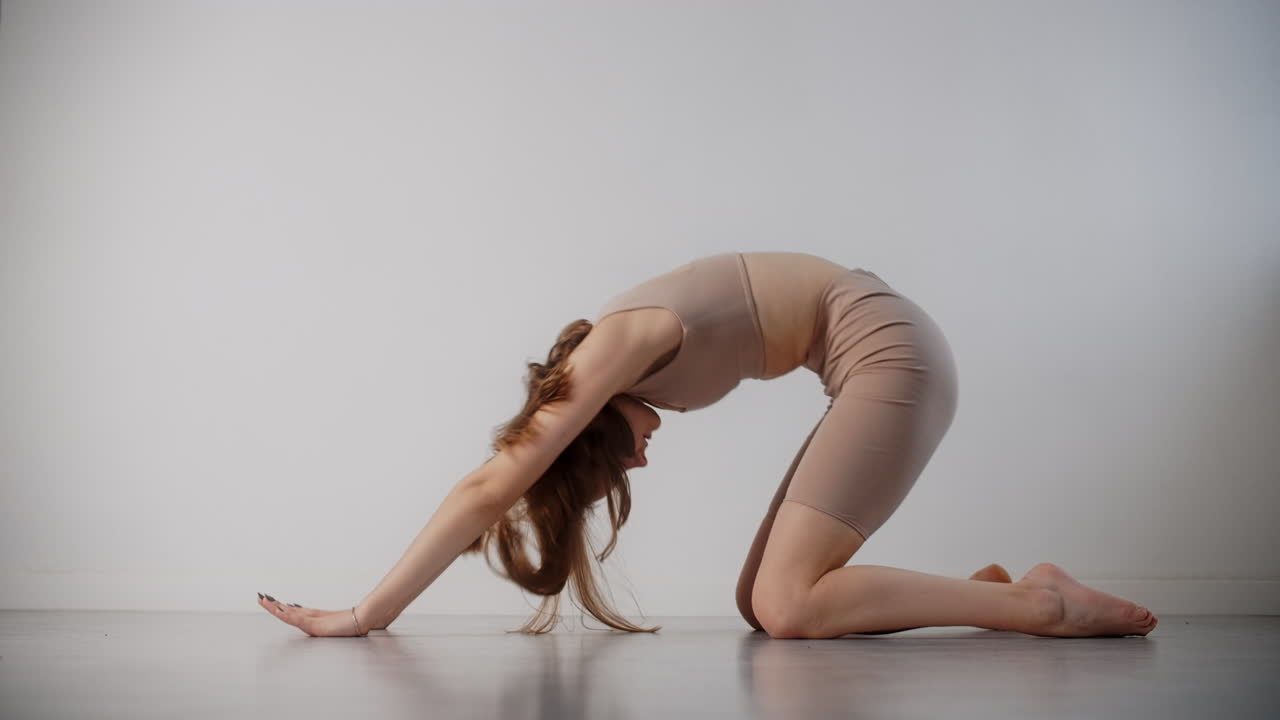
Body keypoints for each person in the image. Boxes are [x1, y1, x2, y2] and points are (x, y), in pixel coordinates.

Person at [257, 251, 1159, 639]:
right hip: (879, 352)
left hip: (891, 349)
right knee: (760, 602)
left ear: (590, 409)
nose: (640, 460)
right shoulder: (617, 355)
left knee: (791, 605)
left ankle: (1044, 605)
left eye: (618, 455)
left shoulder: (609, 350)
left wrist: (363, 613)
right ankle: (983, 596)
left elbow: (486, 489)